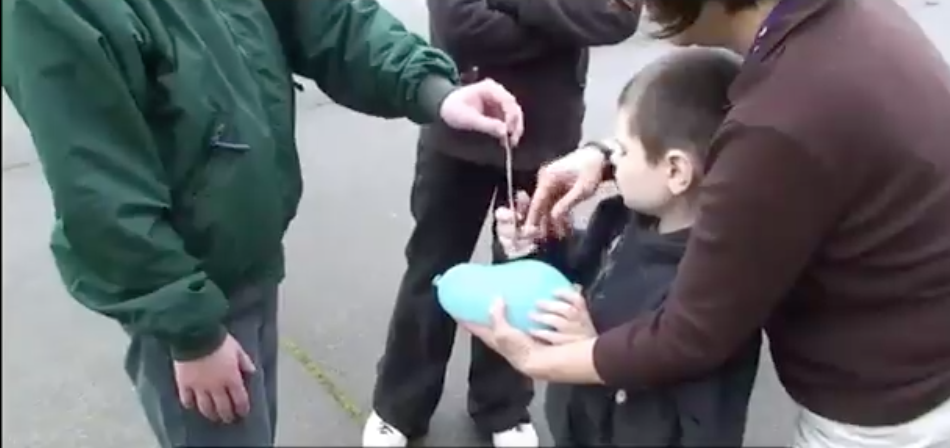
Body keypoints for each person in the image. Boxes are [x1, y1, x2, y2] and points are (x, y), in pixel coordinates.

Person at [1, 1, 527, 447]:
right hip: (190, 286)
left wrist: (436, 89)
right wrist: (192, 334)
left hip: (252, 254)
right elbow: (99, 188)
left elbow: (329, 20)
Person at [464, 0, 950, 447]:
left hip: (881, 407)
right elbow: (750, 149)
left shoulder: (782, 117)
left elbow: (688, 338)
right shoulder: (835, 29)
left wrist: (536, 360)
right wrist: (607, 159)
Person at [365, 0, 642, 446]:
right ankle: (399, 405)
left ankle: (503, 406)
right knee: (430, 269)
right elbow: (460, 26)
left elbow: (616, 17)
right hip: (459, 126)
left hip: (548, 133)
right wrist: (561, 28)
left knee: (525, 273)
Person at [494, 48, 761, 447]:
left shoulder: (713, 291)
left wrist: (593, 348)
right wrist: (538, 243)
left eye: (620, 150)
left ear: (675, 171)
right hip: (579, 428)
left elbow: (708, 424)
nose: (609, 163)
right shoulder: (617, 217)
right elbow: (574, 277)